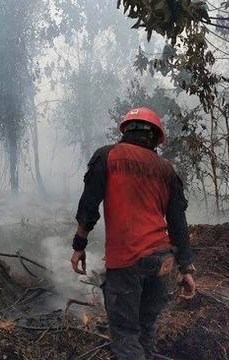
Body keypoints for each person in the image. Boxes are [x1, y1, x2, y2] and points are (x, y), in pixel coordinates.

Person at [70, 107, 197, 360]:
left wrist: (78, 244)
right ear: (155, 138)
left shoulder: (108, 155)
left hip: (127, 260)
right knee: (146, 329)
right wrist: (185, 268)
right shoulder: (166, 169)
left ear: (126, 130)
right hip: (162, 260)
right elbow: (177, 223)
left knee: (126, 335)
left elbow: (89, 206)